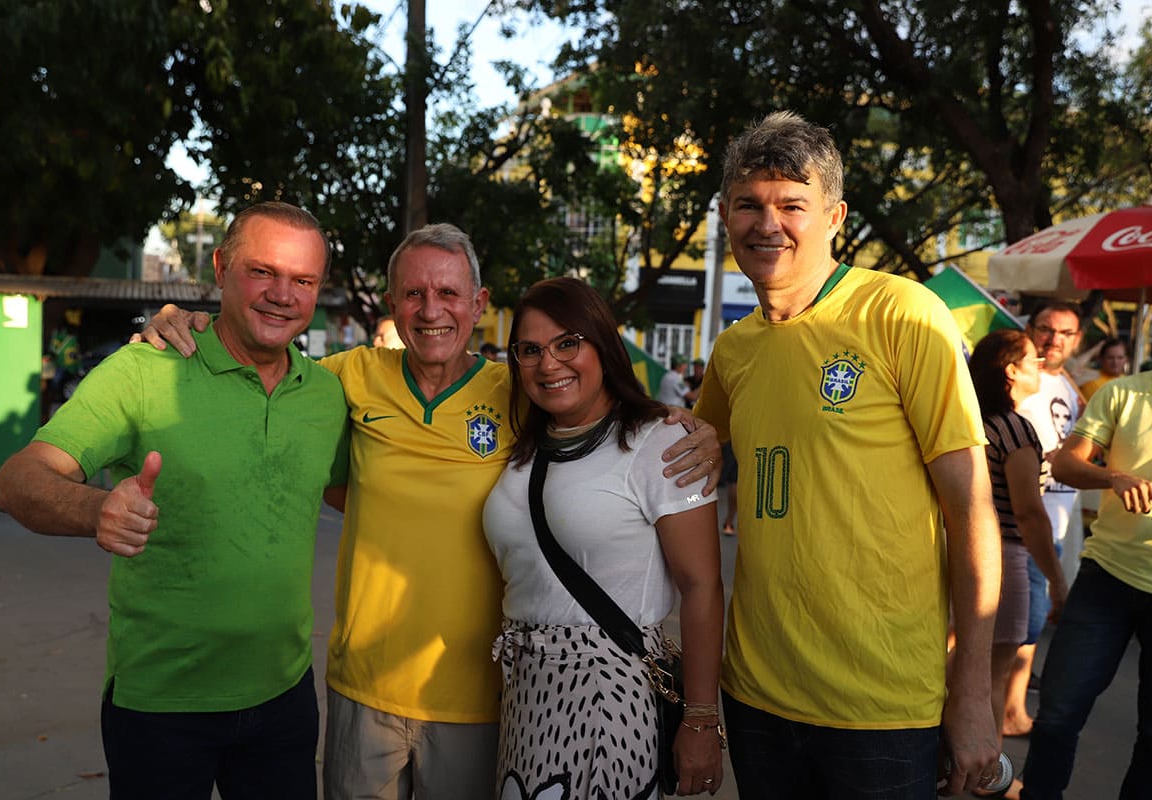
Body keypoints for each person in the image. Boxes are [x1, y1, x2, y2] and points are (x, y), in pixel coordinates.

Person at [137, 223, 723, 800]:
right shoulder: (345, 378)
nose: (430, 309)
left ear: (478, 303)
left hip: (483, 697)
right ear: (392, 304)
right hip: (364, 688)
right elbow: (263, 371)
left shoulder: (517, 389)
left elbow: (595, 407)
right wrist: (186, 323)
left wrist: (684, 424)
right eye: (414, 293)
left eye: (448, 293)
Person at [0, 202, 351, 800]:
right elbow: (15, 481)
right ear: (220, 267)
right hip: (160, 705)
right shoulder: (143, 371)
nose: (283, 294)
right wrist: (94, 509)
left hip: (285, 698)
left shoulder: (325, 393)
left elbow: (354, 493)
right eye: (262, 271)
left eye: (304, 280)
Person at [693, 110, 1002, 797]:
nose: (767, 224)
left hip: (883, 710)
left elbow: (972, 510)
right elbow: (693, 447)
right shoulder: (734, 349)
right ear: (724, 215)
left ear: (835, 217)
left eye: (791, 205)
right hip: (757, 698)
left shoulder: (903, 313)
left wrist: (973, 694)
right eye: (748, 204)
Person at [484, 277, 725, 798]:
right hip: (524, 693)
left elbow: (702, 586)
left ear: (602, 343)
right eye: (530, 350)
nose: (549, 364)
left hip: (611, 695)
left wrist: (702, 720)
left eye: (568, 343)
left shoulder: (660, 442)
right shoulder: (527, 443)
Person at [1019, 367, 1152, 799]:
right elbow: (1064, 461)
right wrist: (1112, 477)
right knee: (1058, 714)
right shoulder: (1124, 393)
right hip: (1107, 579)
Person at [968, 330, 1068, 797]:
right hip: (1004, 557)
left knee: (957, 666)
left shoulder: (968, 420)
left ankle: (953, 761)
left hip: (956, 551)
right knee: (994, 674)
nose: (1042, 363)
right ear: (1010, 371)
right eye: (1032, 359)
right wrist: (1057, 579)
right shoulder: (1014, 428)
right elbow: (1029, 513)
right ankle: (988, 776)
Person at [1004, 302, 1085, 738]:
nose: (1053, 339)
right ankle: (990, 712)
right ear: (1030, 329)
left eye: (1065, 334)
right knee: (1019, 627)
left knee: (1025, 629)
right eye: (1046, 329)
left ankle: (1013, 709)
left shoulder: (1069, 386)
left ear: (1076, 341)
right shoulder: (1019, 375)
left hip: (1057, 520)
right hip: (1023, 521)